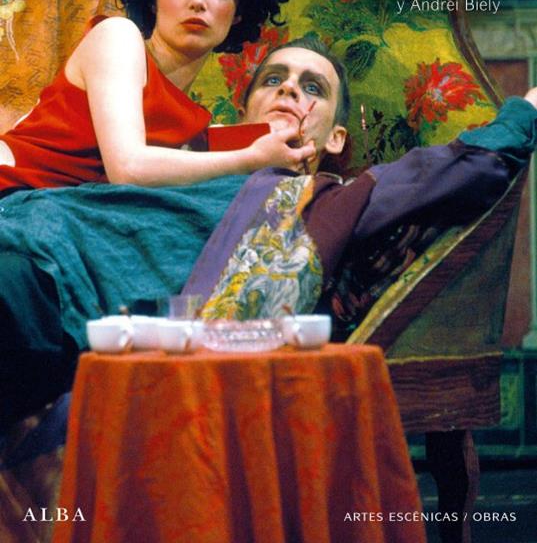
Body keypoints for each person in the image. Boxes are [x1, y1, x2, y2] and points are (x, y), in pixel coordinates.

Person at [0, 36, 536, 430]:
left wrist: (528, 108)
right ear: (243, 113)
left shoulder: (325, 201)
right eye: (273, 80)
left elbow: (463, 166)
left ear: (335, 137)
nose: (288, 89)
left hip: (44, 297)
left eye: (312, 88)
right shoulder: (168, 160)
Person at [0, 0, 313, 194]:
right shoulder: (118, 37)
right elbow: (128, 169)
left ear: (238, 12)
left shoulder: (193, 126)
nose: (198, 0)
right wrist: (249, 159)